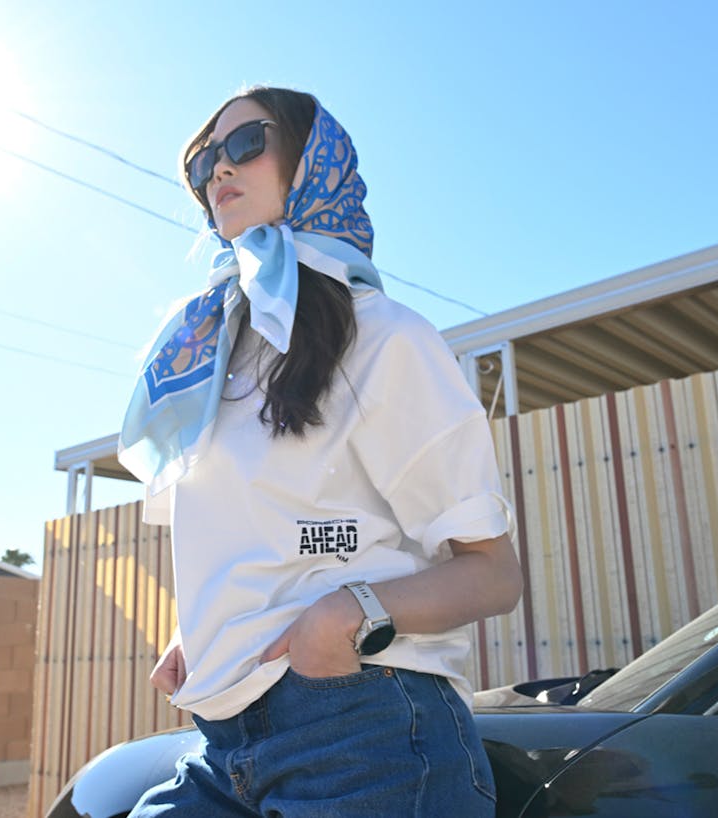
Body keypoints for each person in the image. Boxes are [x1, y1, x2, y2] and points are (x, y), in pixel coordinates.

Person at [118, 86, 523, 818]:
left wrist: (344, 615)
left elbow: (493, 575)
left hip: (363, 733)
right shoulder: (202, 357)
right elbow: (266, 531)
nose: (218, 170)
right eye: (203, 161)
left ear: (313, 162)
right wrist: (202, 627)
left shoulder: (387, 338)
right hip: (220, 742)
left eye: (246, 144)